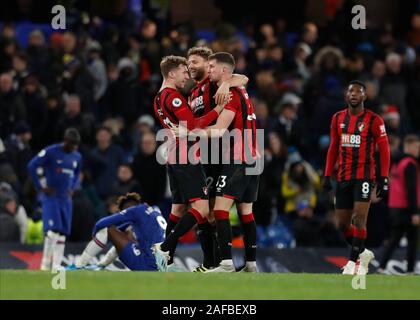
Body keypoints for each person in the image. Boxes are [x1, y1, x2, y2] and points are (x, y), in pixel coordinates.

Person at [176, 52, 260, 272]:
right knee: (244, 212)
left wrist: (189, 131)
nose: (208, 70)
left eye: (210, 66)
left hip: (235, 157)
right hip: (250, 157)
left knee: (218, 210)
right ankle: (249, 264)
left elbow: (220, 129)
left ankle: (224, 263)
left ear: (220, 69)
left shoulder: (228, 90)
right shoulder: (233, 90)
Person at [152, 55, 227, 271]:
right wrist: (219, 110)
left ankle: (168, 260)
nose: (187, 76)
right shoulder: (173, 97)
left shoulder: (157, 98)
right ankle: (165, 247)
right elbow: (195, 125)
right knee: (202, 209)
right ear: (172, 73)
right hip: (187, 155)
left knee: (177, 209)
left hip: (173, 155)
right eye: (184, 72)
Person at [323, 80, 390, 275]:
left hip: (365, 177)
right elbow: (333, 147)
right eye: (350, 91)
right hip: (343, 177)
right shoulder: (337, 118)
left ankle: (353, 263)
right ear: (346, 96)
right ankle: (363, 252)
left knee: (358, 220)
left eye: (358, 92)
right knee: (342, 224)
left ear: (364, 97)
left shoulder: (375, 120)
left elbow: (384, 151)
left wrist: (383, 178)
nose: (354, 94)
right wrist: (327, 175)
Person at [27, 128, 82, 271]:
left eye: (76, 145)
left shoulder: (77, 156)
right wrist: (40, 186)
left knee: (62, 233)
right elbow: (32, 165)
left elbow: (77, 173)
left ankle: (56, 265)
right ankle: (45, 263)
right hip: (52, 197)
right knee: (52, 231)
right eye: (72, 144)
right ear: (65, 141)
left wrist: (73, 187)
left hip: (66, 199)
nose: (74, 147)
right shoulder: (51, 151)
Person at [73, 192, 166, 271]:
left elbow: (100, 223)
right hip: (164, 266)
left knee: (107, 228)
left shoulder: (136, 211)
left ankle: (79, 265)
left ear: (128, 208)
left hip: (148, 264)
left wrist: (94, 232)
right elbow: (120, 238)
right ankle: (101, 265)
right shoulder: (155, 210)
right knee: (124, 235)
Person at [378, 134, 420, 274]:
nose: (417, 150)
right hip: (406, 207)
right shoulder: (410, 164)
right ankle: (409, 269)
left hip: (394, 206)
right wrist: (415, 212)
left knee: (395, 238)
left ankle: (382, 266)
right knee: (412, 239)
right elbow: (411, 189)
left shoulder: (397, 163)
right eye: (416, 147)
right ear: (408, 146)